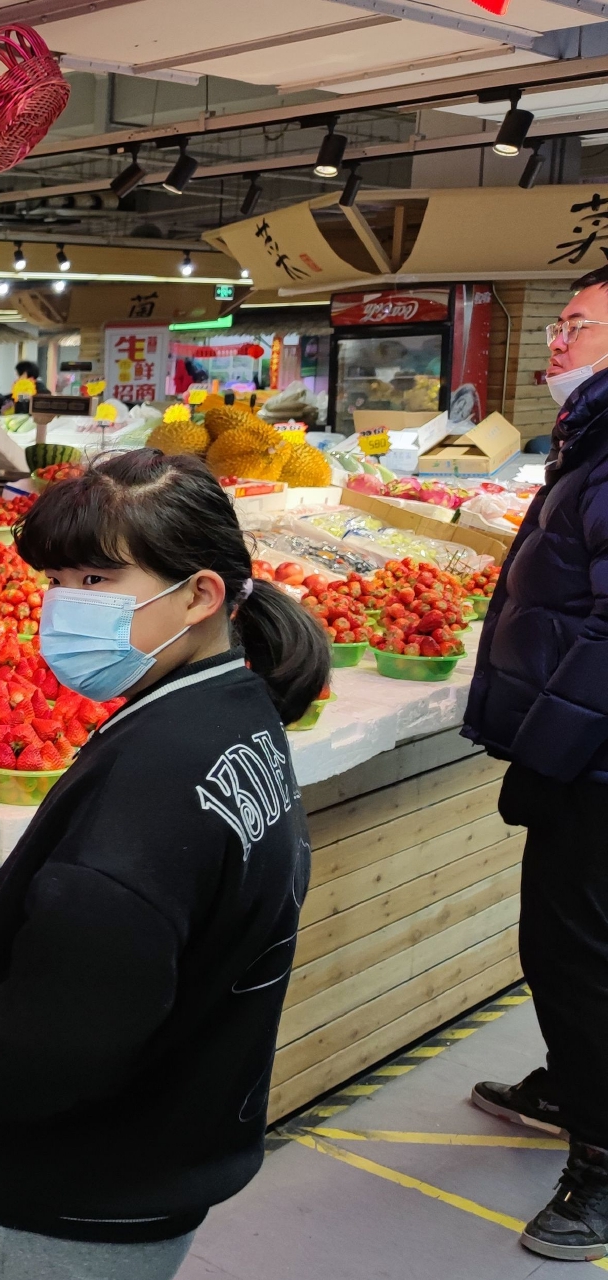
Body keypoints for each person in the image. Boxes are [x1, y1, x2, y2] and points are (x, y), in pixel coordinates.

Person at [0, 450, 328, 1280]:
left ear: (199, 595)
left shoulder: (153, 786)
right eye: (57, 580)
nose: (62, 607)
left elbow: (60, 1028)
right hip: (155, 1150)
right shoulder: (236, 713)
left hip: (65, 1194)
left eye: (94, 580)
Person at [462, 262, 608, 1262]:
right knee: (556, 944)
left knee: (586, 955)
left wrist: (547, 748)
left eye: (579, 325)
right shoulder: (587, 436)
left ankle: (599, 1167)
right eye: (555, 321)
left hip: (594, 764)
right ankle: (568, 1081)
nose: (554, 340)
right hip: (578, 757)